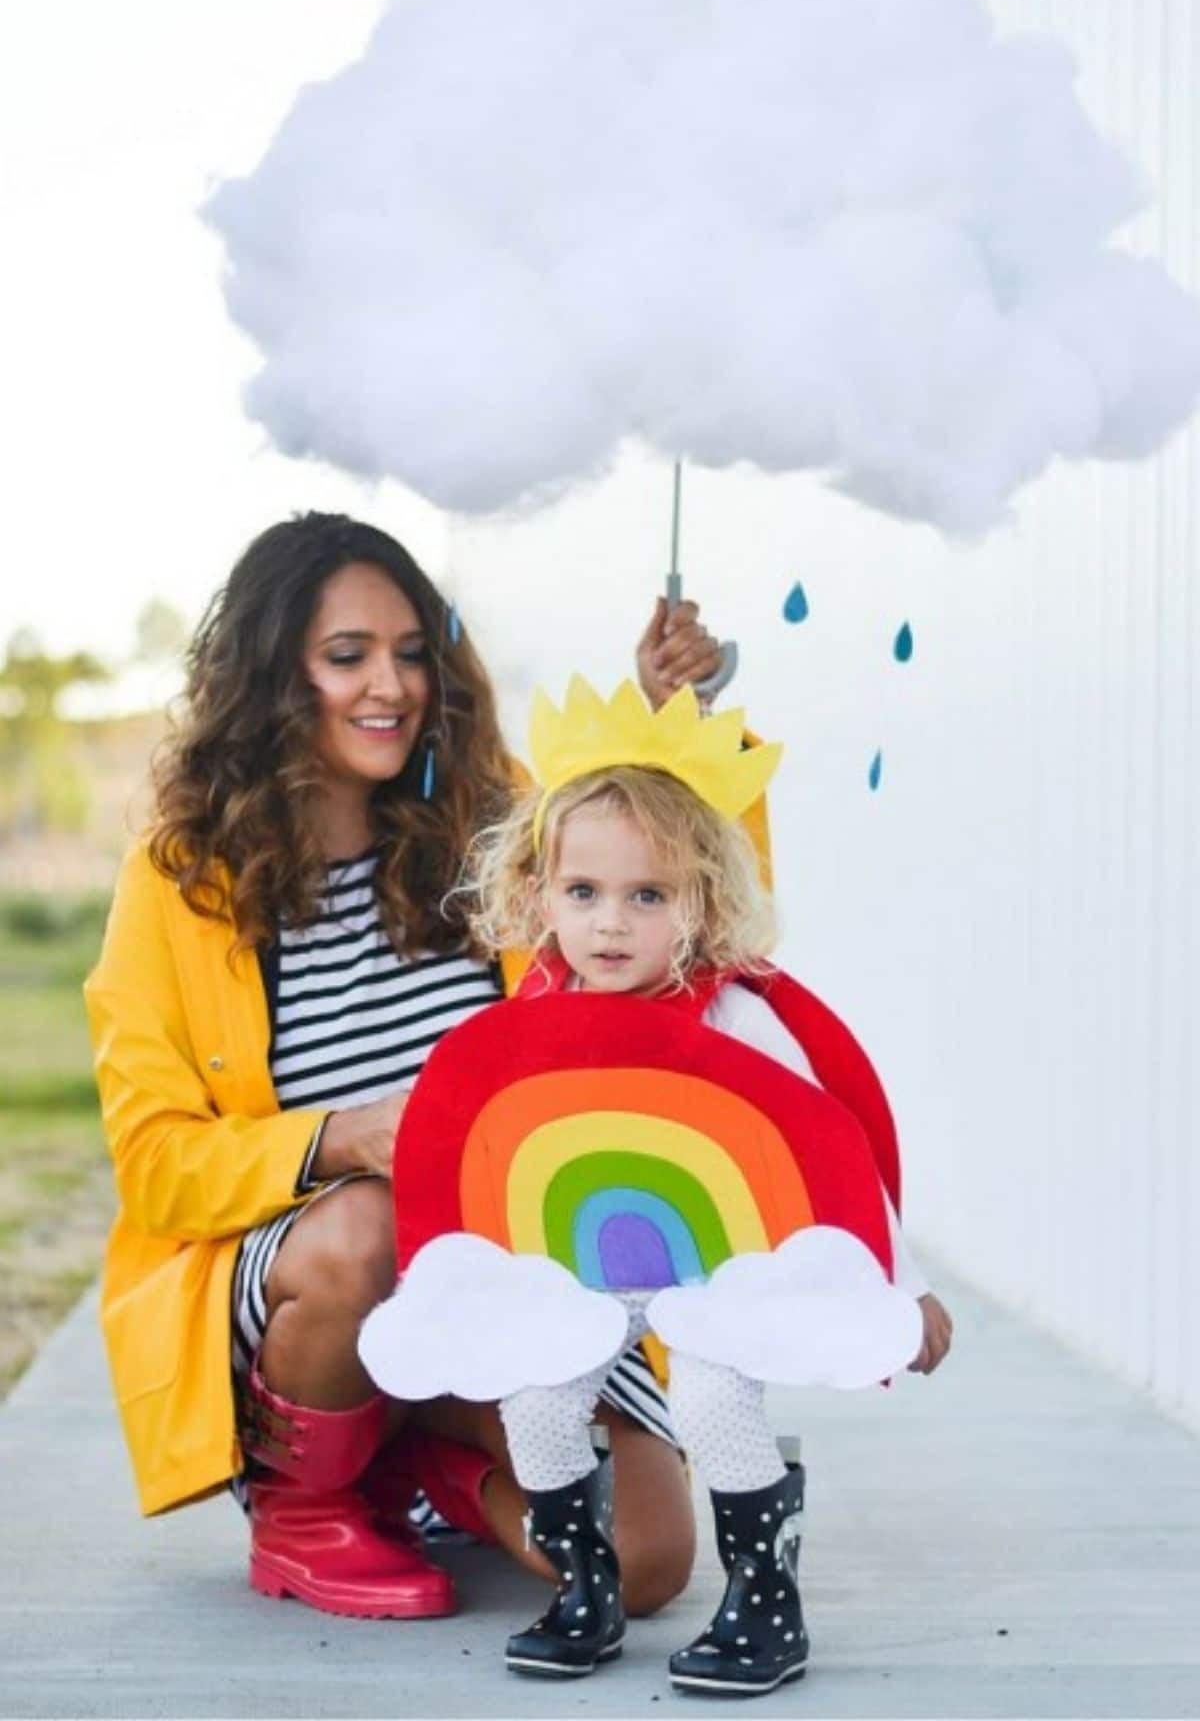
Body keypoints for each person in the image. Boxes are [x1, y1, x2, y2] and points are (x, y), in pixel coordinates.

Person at [84, 511, 725, 1621]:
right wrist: (348, 1138)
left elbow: (679, 936)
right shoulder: (182, 878)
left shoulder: (493, 820)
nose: (392, 683)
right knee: (368, 1220)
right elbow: (153, 1166)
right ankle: (302, 1502)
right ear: (272, 676)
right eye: (348, 656)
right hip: (313, 1278)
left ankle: (415, 1450)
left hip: (502, 1267)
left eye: (412, 650)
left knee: (646, 1561)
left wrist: (672, 737)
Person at [437, 679, 954, 1693]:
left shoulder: (729, 1015)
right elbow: (486, 1150)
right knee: (538, 1401)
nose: (612, 923)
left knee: (711, 1395)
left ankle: (765, 1599)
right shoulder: (535, 1019)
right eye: (583, 893)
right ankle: (585, 1586)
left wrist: (904, 1279)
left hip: (721, 1264)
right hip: (587, 1262)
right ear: (540, 893)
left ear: (702, 902)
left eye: (648, 895)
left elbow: (831, 1146)